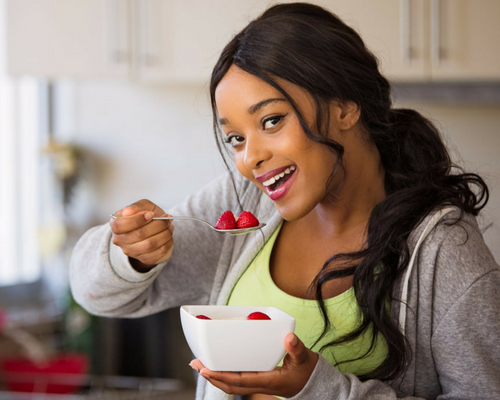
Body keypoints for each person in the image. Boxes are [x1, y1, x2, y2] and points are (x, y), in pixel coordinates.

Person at [69, 3, 500, 399]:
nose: (249, 158)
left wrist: (316, 389)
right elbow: (97, 295)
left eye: (271, 120)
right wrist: (131, 253)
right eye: (236, 138)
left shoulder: (444, 251)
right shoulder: (246, 206)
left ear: (345, 107)